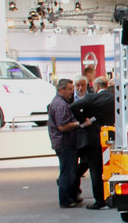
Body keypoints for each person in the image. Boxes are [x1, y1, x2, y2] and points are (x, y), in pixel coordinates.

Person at [48, 78, 93, 208]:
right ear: (61, 89)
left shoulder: (61, 102)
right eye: (69, 89)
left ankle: (71, 196)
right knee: (67, 172)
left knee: (70, 171)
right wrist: (79, 124)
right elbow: (62, 126)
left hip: (66, 142)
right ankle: (66, 199)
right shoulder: (61, 105)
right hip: (65, 142)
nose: (71, 92)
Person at [70, 76, 115, 209]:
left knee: (96, 171)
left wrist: (84, 120)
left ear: (96, 86)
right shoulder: (114, 97)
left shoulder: (91, 98)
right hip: (111, 136)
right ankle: (111, 197)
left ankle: (99, 201)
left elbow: (73, 106)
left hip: (94, 137)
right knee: (111, 169)